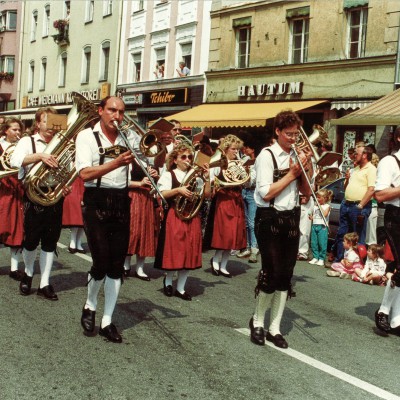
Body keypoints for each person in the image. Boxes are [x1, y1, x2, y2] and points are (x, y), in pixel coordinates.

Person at [249, 110, 311, 348]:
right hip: (269, 217)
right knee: (271, 272)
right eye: (289, 134)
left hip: (291, 218)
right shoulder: (267, 155)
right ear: (277, 131)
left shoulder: (297, 154)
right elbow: (266, 192)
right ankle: (257, 322)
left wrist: (307, 169)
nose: (293, 139)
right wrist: (292, 173)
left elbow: (306, 192)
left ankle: (274, 327)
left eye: (296, 134)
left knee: (286, 275)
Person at [76, 96, 135, 343]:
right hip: (96, 200)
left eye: (121, 112)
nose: (117, 116)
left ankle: (107, 320)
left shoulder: (129, 137)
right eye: (112, 110)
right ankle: (90, 304)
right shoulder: (87, 137)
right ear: (101, 111)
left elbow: (153, 160)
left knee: (116, 264)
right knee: (100, 259)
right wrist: (116, 163)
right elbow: (84, 173)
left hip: (121, 200)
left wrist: (156, 160)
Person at [10, 107, 71, 301]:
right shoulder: (28, 141)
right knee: (30, 241)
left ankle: (44, 282)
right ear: (38, 123)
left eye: (55, 121)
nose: (52, 125)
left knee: (50, 242)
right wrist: (40, 156)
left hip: (54, 196)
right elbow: (15, 160)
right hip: (33, 196)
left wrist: (65, 185)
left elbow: (69, 169)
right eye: (47, 120)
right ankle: (28, 273)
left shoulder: (63, 143)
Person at [154, 143, 211, 300]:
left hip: (191, 216)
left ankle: (181, 288)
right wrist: (178, 190)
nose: (187, 160)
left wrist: (207, 178)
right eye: (183, 157)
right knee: (174, 251)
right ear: (175, 160)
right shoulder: (169, 174)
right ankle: (168, 281)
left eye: (190, 157)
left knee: (188, 252)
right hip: (175, 215)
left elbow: (206, 195)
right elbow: (162, 194)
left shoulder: (196, 175)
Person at [330, 143, 376, 262]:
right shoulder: (355, 169)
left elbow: (371, 189)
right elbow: (346, 188)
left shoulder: (371, 169)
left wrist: (360, 205)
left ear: (365, 155)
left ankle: (356, 264)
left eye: (357, 153)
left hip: (359, 206)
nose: (354, 155)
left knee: (358, 236)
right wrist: (346, 179)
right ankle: (340, 261)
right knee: (342, 234)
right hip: (347, 204)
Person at [374, 126, 400, 333]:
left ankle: (396, 319)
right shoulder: (389, 161)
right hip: (396, 216)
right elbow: (380, 195)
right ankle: (383, 311)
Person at [210, 134, 247, 277]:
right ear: (226, 149)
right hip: (224, 199)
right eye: (233, 149)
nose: (235, 152)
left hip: (236, 200)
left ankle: (224, 265)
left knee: (233, 235)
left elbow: (248, 182)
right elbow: (212, 179)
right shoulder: (219, 162)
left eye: (237, 149)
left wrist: (246, 173)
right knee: (223, 233)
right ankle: (215, 260)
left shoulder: (239, 163)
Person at [123, 157, 160, 281]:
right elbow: (123, 181)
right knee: (133, 231)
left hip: (147, 198)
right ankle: (126, 264)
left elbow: (159, 186)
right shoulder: (130, 161)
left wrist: (157, 177)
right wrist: (140, 183)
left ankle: (140, 268)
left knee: (145, 232)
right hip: (134, 196)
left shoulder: (150, 162)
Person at [0, 118, 24, 280]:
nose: (18, 132)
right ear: (5, 130)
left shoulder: (23, 147)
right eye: (14, 129)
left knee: (17, 228)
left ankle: (14, 268)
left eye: (19, 130)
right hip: (2, 189)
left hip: (18, 188)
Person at [236, 141, 259, 263]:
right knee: (245, 222)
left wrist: (247, 171)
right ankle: (247, 247)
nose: (245, 150)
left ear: (253, 149)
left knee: (251, 222)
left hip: (251, 192)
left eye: (247, 148)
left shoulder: (255, 163)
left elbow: (251, 181)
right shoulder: (244, 160)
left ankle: (254, 249)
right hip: (243, 191)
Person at [308, 188, 332, 266]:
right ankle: (315, 257)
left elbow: (324, 214)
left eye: (319, 197)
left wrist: (319, 206)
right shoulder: (315, 206)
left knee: (322, 243)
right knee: (314, 243)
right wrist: (312, 217)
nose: (317, 199)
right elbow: (315, 215)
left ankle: (321, 258)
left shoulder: (327, 206)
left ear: (324, 198)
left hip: (322, 227)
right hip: (315, 226)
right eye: (317, 197)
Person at [62, 176, 86, 254]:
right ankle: (73, 241)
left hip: (85, 189)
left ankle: (78, 242)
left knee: (83, 221)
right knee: (76, 219)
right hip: (73, 190)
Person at [366, 153, 379, 245]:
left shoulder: (373, 174)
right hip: (372, 206)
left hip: (372, 205)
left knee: (370, 236)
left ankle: (371, 257)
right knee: (370, 235)